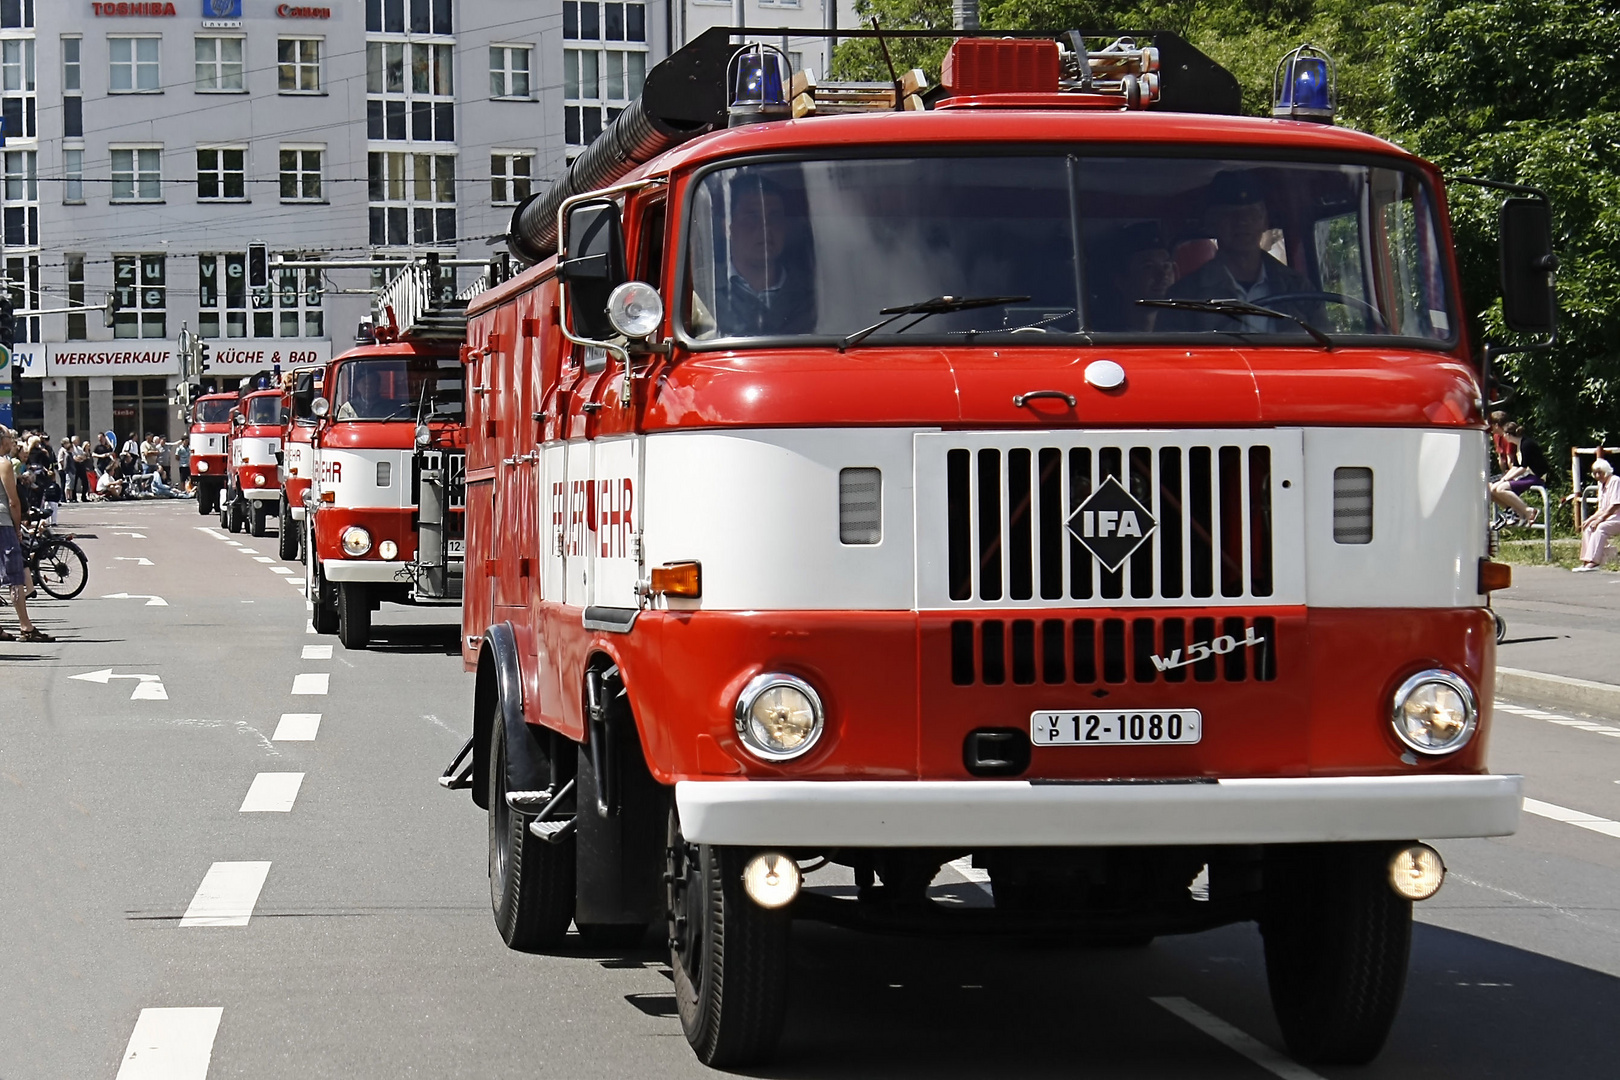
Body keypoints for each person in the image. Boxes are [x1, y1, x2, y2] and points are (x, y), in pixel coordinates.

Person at [1163, 171, 1319, 333]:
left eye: (1252, 213)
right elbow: (1171, 355)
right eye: (1230, 214)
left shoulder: (1297, 287)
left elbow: (1325, 345)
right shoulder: (1185, 295)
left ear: (1264, 221)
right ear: (1211, 223)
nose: (1243, 221)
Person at [711, 176, 816, 337]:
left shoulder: (815, 290)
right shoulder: (702, 291)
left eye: (774, 216)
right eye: (752, 216)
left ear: (785, 225)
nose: (766, 228)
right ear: (727, 227)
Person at [0, 426, 54, 642]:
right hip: (3, 523)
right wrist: (16, 527)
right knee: (16, 576)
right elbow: (13, 501)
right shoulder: (3, 464)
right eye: (8, 438)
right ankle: (26, 627)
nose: (11, 441)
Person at [1093, 222, 1179, 331]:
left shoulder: (1188, 333)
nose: (1162, 275)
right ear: (1121, 281)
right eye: (1148, 267)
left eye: (1166, 266)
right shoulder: (1104, 337)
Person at [1491, 422, 1546, 525]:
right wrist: (1504, 478)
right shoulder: (1518, 445)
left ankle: (1529, 511)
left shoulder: (1526, 444)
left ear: (1508, 434)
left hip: (1536, 476)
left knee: (1501, 489)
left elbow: (1523, 468)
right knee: (1492, 489)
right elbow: (1516, 466)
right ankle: (1516, 512)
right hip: (1527, 476)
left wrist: (1506, 480)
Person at [1576, 457, 1620, 571]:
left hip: (1617, 517)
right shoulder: (1601, 485)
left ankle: (1594, 562)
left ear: (1606, 471)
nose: (1596, 476)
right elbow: (1602, 508)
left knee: (1601, 527)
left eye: (1599, 472)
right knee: (1588, 527)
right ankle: (1586, 560)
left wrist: (1600, 519)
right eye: (1594, 473)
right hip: (1610, 516)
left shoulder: (1615, 481)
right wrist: (1591, 519)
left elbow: (1615, 505)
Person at [335, 364, 407, 420]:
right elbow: (343, 430)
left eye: (372, 383)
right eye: (364, 383)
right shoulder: (348, 408)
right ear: (358, 386)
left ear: (378, 385)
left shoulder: (390, 407)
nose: (368, 387)